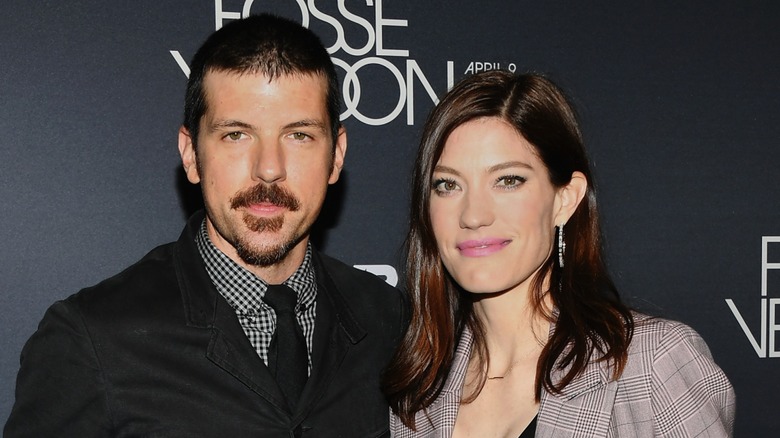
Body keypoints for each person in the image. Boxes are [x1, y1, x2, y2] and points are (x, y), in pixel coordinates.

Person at [5, 14, 405, 437]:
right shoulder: (93, 339)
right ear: (191, 154)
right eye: (236, 135)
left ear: (336, 154)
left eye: (298, 135)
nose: (268, 170)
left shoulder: (389, 322)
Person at [382, 70, 735, 437]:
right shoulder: (418, 393)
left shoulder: (652, 365)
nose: (473, 215)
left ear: (565, 199)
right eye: (448, 185)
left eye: (508, 180)